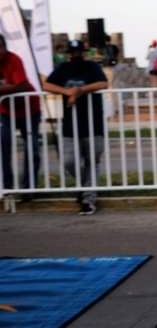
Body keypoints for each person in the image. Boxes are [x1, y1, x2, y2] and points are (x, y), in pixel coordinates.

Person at [43, 40, 108, 215]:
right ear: (68, 53)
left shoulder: (92, 66)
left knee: (92, 161)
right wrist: (67, 92)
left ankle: (88, 199)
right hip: (70, 124)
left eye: (78, 52)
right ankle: (85, 187)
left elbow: (103, 83)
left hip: (93, 123)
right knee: (69, 161)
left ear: (83, 52)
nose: (76, 55)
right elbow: (46, 84)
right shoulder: (63, 68)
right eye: (73, 52)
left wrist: (81, 90)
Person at [0, 34, 41, 194]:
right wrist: (9, 87)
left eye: (1, 46)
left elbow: (22, 86)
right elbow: (16, 86)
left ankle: (29, 189)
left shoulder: (14, 60)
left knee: (32, 148)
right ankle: (7, 188)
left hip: (29, 108)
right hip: (5, 111)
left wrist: (3, 89)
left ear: (5, 47)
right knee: (4, 146)